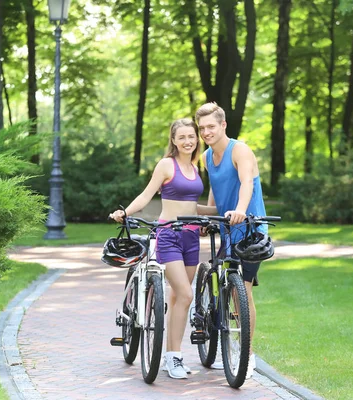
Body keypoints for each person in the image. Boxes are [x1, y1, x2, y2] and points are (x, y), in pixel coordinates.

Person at [110, 118, 203, 380]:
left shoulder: (195, 167)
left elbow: (192, 206)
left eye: (191, 136)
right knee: (186, 294)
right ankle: (174, 358)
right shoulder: (167, 165)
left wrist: (224, 212)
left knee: (178, 299)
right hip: (169, 236)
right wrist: (125, 211)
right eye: (182, 137)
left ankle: (171, 356)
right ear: (173, 140)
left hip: (192, 238)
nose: (188, 141)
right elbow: (147, 194)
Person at [195, 102, 268, 379]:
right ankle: (218, 330)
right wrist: (196, 212)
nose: (206, 132)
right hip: (227, 228)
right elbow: (215, 201)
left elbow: (246, 184)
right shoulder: (206, 157)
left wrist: (239, 210)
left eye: (211, 127)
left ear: (223, 125)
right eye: (202, 128)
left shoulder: (240, 150)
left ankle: (247, 354)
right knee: (225, 283)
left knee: (242, 291)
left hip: (250, 229)